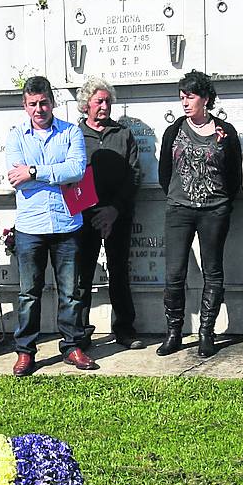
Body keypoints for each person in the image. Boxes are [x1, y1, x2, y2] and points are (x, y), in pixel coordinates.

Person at [5, 76, 91, 377]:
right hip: (31, 226)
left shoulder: (71, 132)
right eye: (32, 104)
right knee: (29, 293)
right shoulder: (16, 137)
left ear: (52, 102)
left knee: (71, 292)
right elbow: (15, 178)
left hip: (66, 223)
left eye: (43, 103)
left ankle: (71, 346)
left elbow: (77, 170)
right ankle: (26, 351)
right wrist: (52, 174)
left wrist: (33, 171)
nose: (39, 109)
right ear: (25, 105)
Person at [157, 70, 242, 358]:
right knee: (174, 273)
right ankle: (174, 332)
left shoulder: (225, 132)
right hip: (179, 209)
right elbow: (163, 173)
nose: (184, 103)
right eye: (181, 97)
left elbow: (234, 175)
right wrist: (179, 196)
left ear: (205, 98)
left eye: (190, 97)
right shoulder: (175, 130)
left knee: (213, 271)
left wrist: (220, 202)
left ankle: (207, 332)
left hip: (214, 210)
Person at [75, 77, 145, 351]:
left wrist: (114, 209)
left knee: (119, 272)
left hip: (118, 214)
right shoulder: (74, 135)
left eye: (107, 101)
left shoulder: (123, 134)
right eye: (99, 102)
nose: (104, 106)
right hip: (85, 216)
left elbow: (134, 174)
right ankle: (80, 332)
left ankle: (125, 330)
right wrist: (92, 211)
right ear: (86, 105)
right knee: (82, 275)